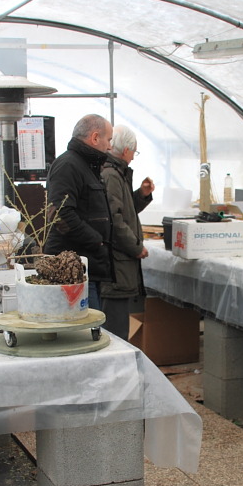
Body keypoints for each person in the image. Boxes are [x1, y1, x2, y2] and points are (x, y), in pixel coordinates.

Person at [45, 114, 114, 310]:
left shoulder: (87, 167)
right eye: (108, 140)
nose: (110, 147)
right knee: (86, 325)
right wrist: (96, 240)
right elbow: (60, 214)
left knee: (92, 323)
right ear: (95, 137)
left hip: (88, 265)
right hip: (74, 271)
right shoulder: (68, 165)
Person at [98, 125, 154, 338]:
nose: (133, 157)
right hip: (116, 267)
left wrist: (141, 195)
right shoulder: (112, 175)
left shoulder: (117, 174)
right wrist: (136, 247)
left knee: (117, 325)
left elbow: (125, 211)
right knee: (115, 331)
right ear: (126, 150)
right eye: (134, 152)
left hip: (119, 266)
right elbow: (115, 220)